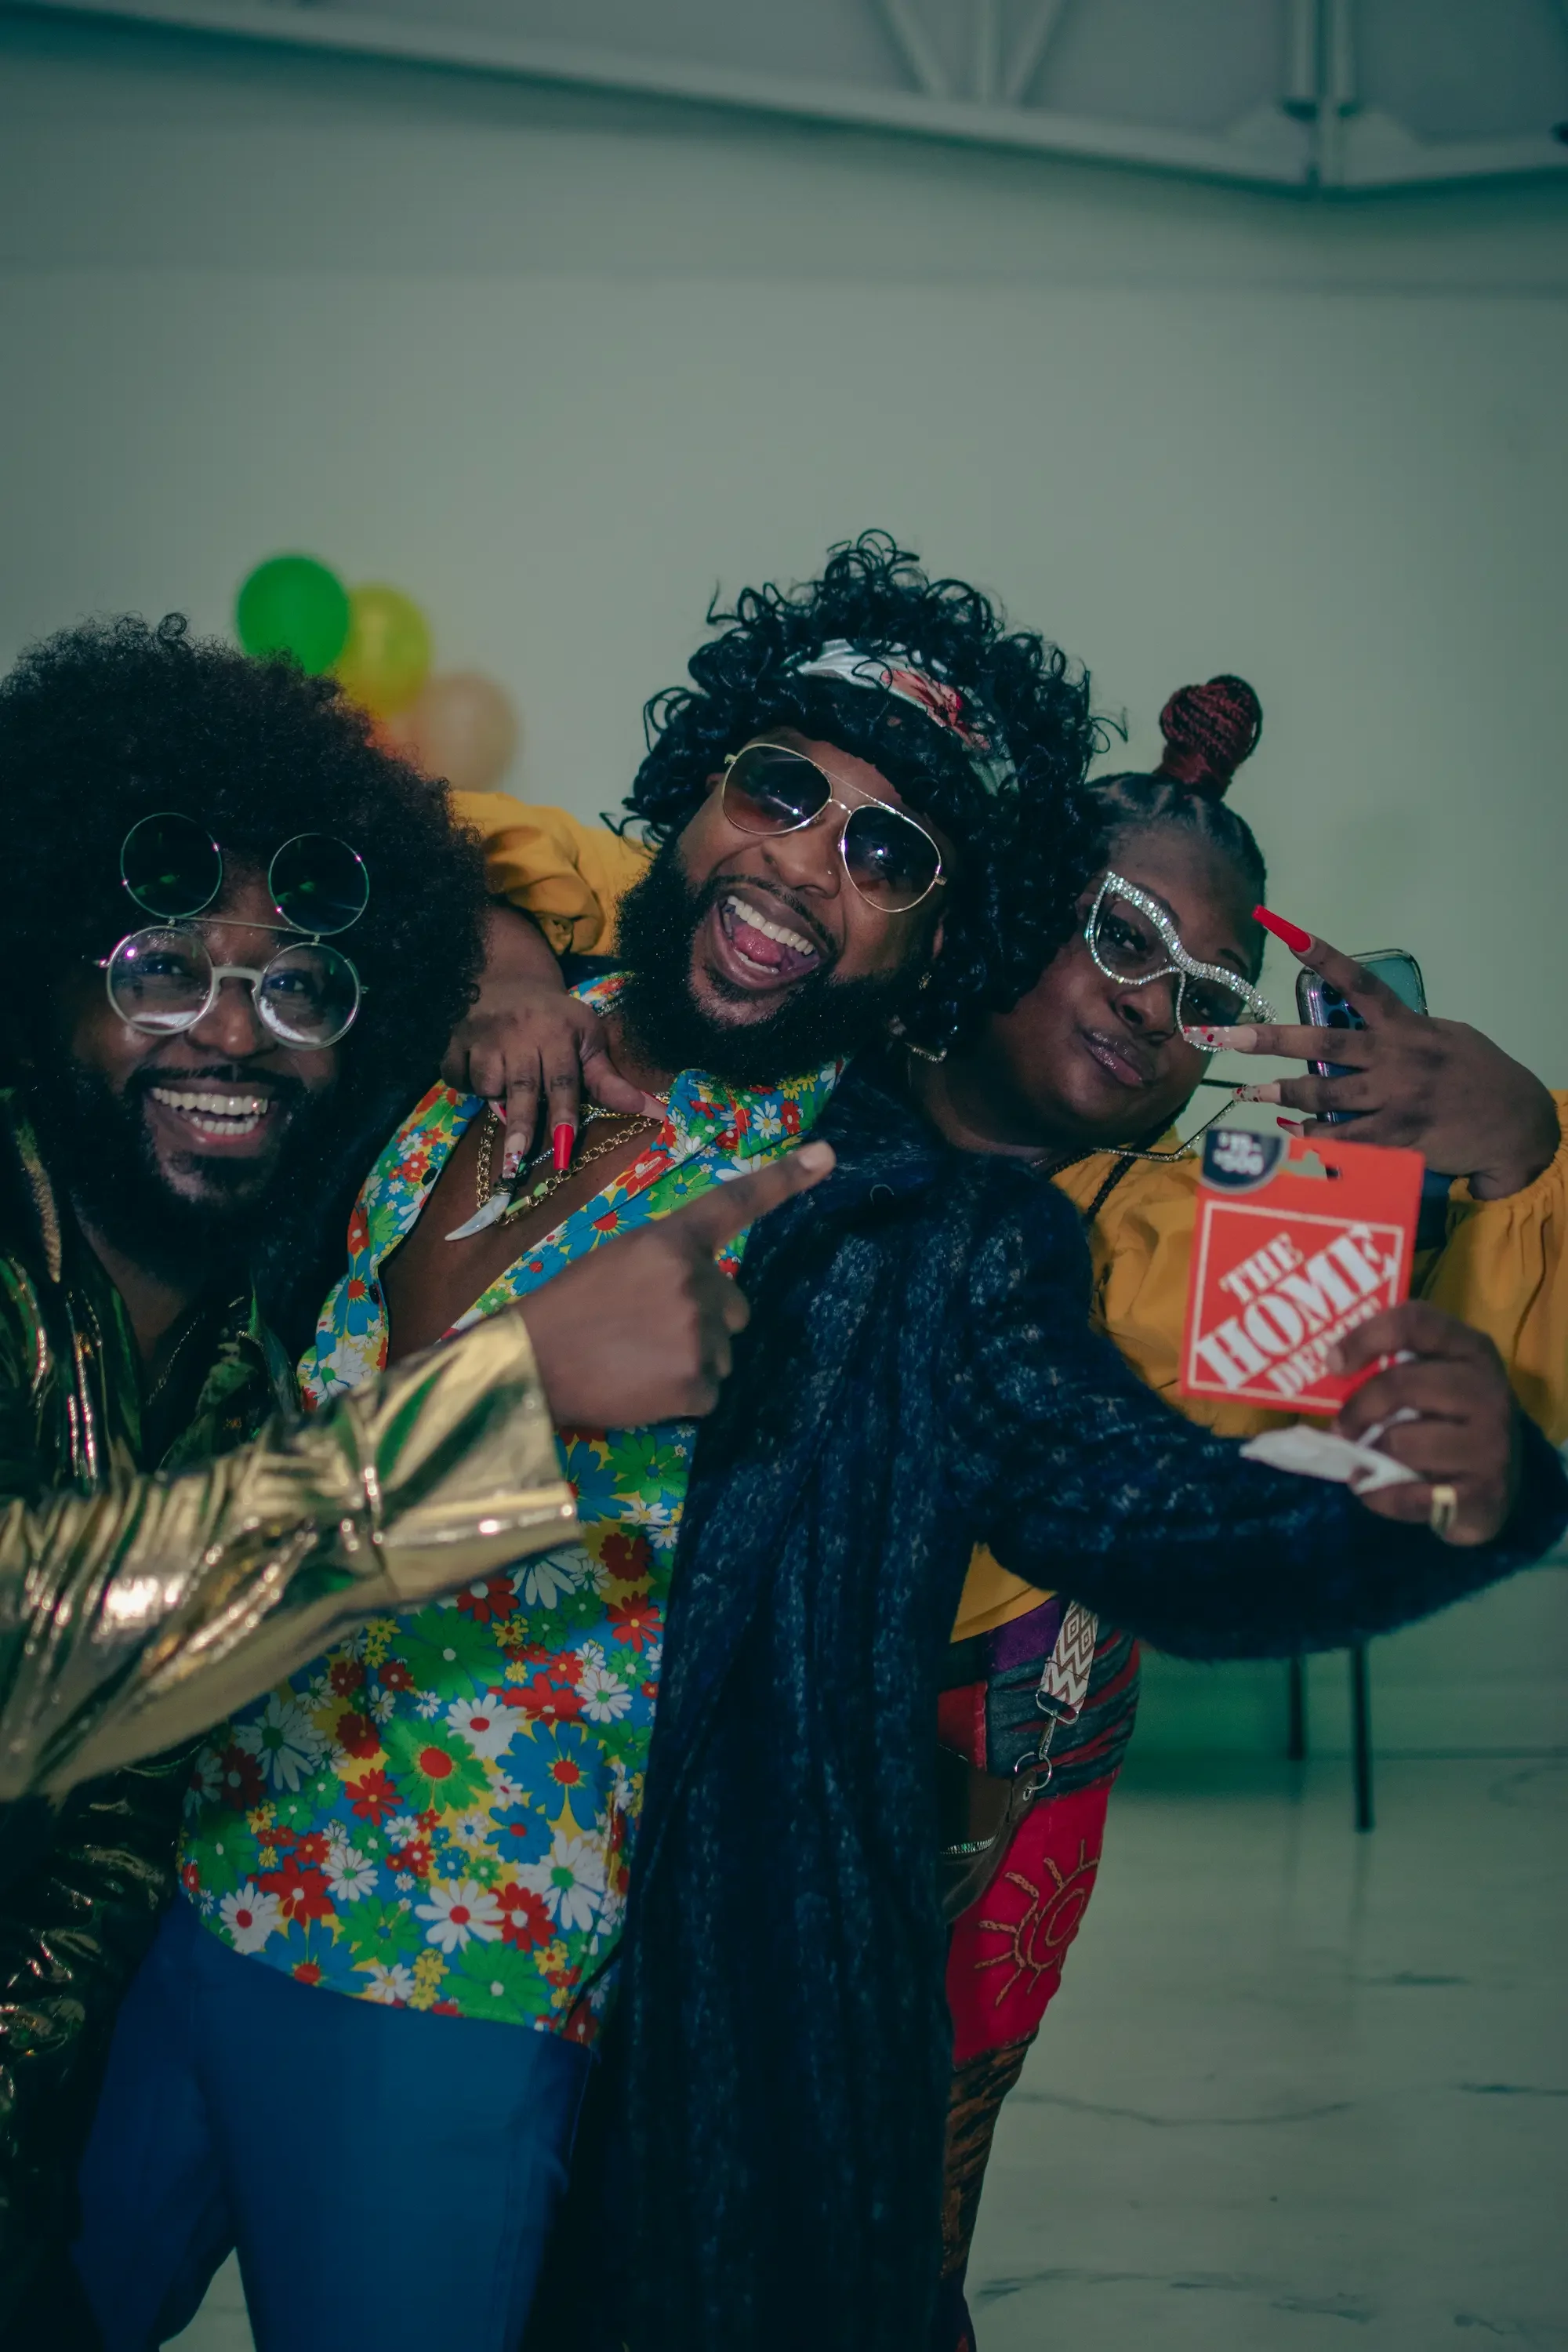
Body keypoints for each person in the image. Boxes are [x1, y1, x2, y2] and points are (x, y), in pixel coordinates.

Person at [74, 543, 1567, 2352]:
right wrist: (482, 957)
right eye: (781, 789)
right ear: (694, 796)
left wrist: (1452, 1494)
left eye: (889, 852)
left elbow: (1149, 1513)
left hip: (452, 1993)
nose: (805, 861)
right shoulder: (448, 1049)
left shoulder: (906, 1235)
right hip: (176, 1899)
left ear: (941, 936)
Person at [439, 669, 1568, 2341]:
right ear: (998, 907)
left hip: (992, 1746)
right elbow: (517, 855)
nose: (1149, 1009)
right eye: (1116, 937)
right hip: (654, 1716)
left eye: (1204, 996)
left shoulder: (1217, 1242)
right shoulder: (800, 1019)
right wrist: (508, 954)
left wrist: (1523, 1142)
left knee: (893, 2165)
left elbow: (1384, 1455)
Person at [0, 613, 829, 2347]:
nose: (232, 1036)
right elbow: (46, 1642)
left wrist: (493, 958)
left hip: (381, 1966)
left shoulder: (225, 1302)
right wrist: (514, 1396)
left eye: (300, 987)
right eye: (157, 971)